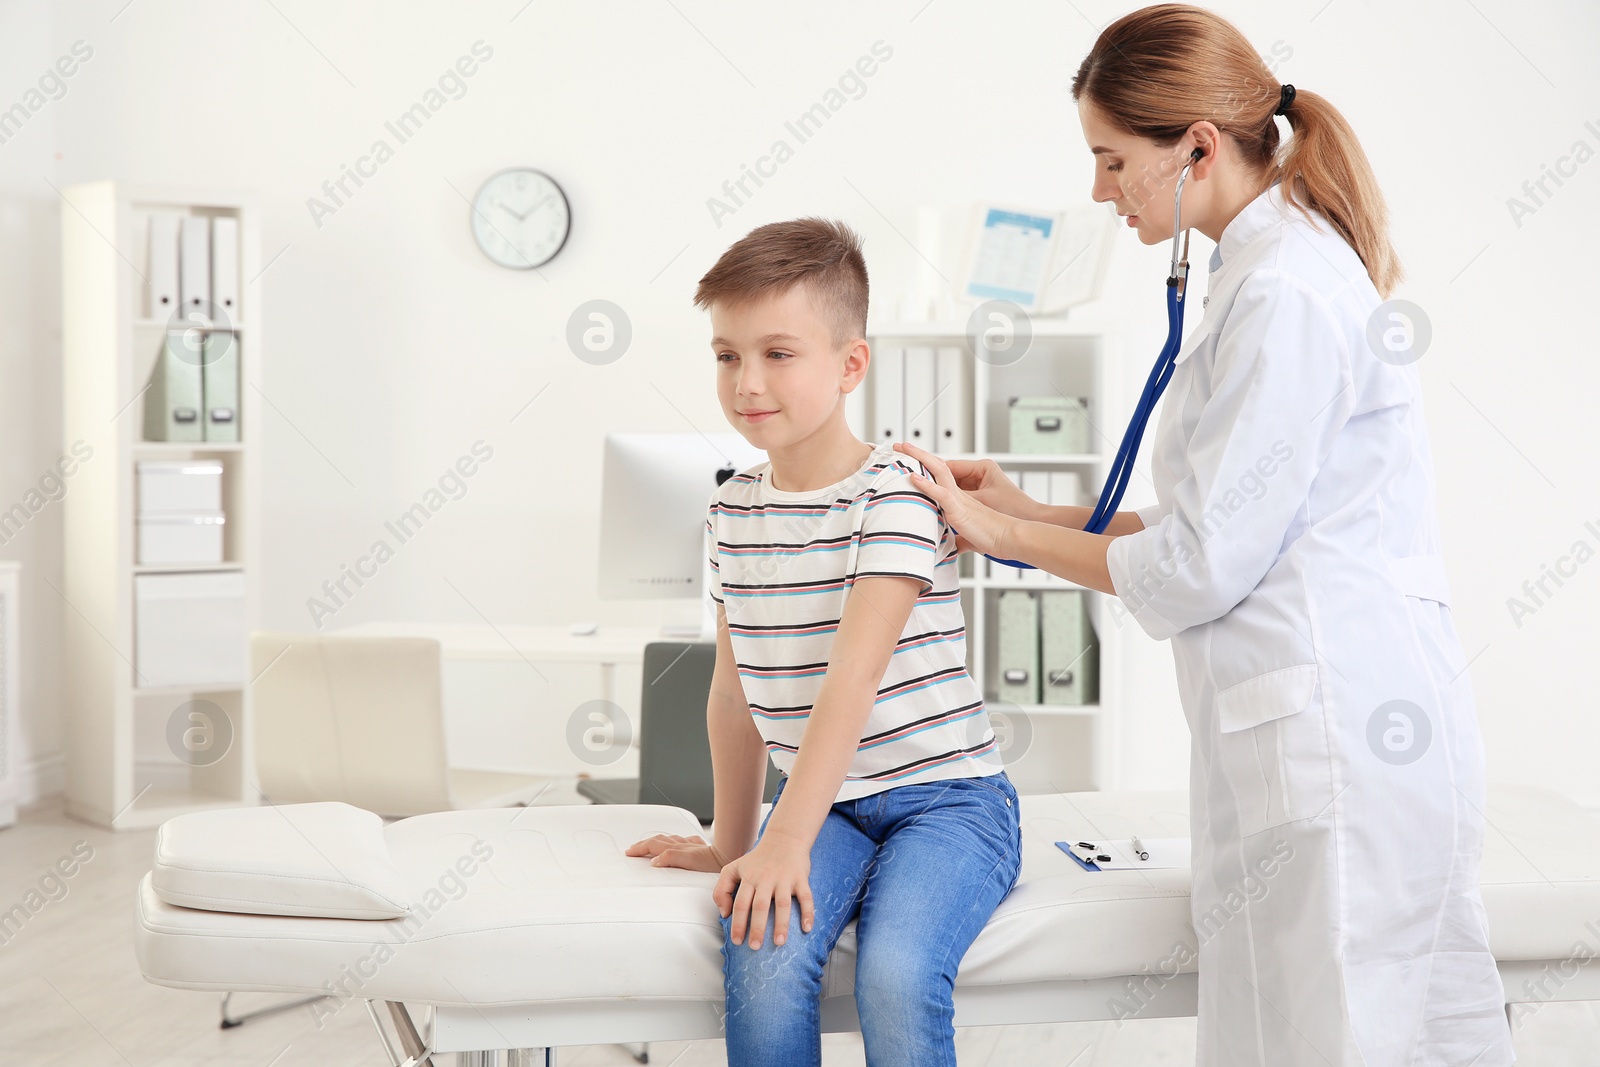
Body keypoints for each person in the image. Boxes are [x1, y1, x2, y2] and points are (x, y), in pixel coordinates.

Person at [895, 5, 1513, 1065]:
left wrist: (996, 531)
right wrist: (1031, 511)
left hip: (1335, 743)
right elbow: (1222, 528)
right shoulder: (1264, 273)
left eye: (1109, 159)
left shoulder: (1284, 292)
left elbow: (1193, 566)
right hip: (1312, 732)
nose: (1099, 191)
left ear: (1195, 145)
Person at [624, 217, 1022, 1067]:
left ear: (850, 364)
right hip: (831, 799)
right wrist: (737, 840)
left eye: (777, 353)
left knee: (898, 972)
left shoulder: (898, 498)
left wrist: (786, 839)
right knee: (761, 951)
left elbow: (854, 680)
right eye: (727, 355)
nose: (746, 382)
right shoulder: (731, 508)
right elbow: (733, 693)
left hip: (947, 799)